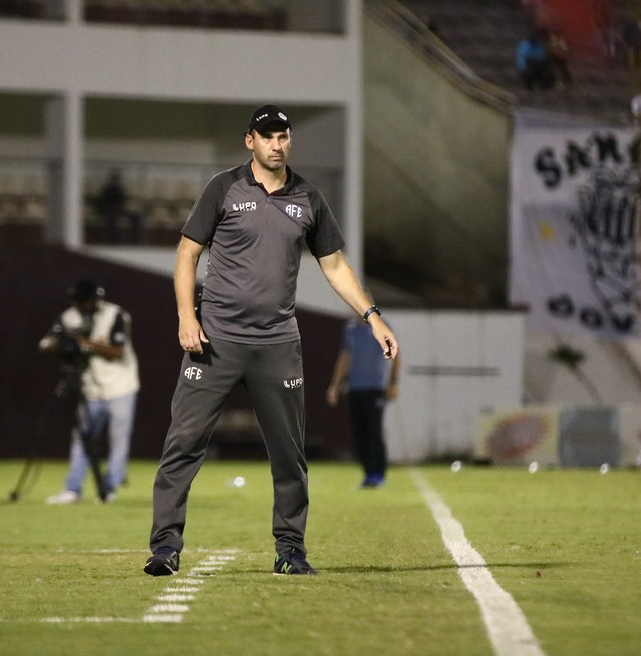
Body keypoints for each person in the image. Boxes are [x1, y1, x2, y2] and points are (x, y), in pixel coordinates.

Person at [143, 104, 399, 577]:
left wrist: (372, 316)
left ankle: (290, 550)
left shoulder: (308, 198)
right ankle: (164, 548)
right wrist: (185, 316)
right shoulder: (222, 188)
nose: (276, 144)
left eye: (283, 137)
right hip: (213, 341)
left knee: (289, 453)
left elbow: (335, 264)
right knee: (183, 444)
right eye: (267, 137)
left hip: (277, 343)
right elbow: (186, 253)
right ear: (250, 142)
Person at [39, 279, 140, 504]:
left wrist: (86, 344)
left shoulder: (115, 315)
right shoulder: (69, 317)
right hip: (91, 388)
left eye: (84, 301)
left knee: (118, 440)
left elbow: (118, 351)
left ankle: (109, 489)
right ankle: (72, 489)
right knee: (82, 438)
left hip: (120, 385)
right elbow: (45, 343)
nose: (81, 306)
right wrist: (59, 345)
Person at [326, 309, 401, 489]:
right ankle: (368, 474)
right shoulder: (350, 329)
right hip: (354, 389)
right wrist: (335, 385)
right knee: (360, 434)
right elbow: (345, 358)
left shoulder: (380, 326)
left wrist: (393, 382)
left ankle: (378, 474)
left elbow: (395, 354)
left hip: (375, 388)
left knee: (374, 432)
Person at [96, 169, 146, 244]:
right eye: (114, 177)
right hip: (110, 211)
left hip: (120, 210)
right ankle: (114, 241)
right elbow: (101, 203)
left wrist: (124, 205)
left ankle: (137, 241)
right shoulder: (106, 189)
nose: (116, 179)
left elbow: (123, 201)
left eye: (117, 178)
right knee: (112, 218)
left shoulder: (121, 189)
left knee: (137, 217)